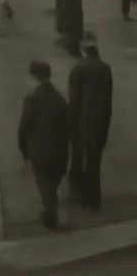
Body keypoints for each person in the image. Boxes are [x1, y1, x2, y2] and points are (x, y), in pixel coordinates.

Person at [18, 60, 70, 230]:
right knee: (52, 184)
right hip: (60, 152)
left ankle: (51, 216)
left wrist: (24, 150)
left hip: (40, 151)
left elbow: (24, 127)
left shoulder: (32, 99)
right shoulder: (60, 99)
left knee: (45, 185)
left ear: (34, 76)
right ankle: (50, 212)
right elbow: (69, 126)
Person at [67, 34, 113, 211]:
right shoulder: (105, 68)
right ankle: (94, 198)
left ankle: (83, 195)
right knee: (95, 160)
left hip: (82, 123)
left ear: (83, 49)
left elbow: (74, 99)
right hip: (101, 121)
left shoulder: (79, 69)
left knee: (80, 157)